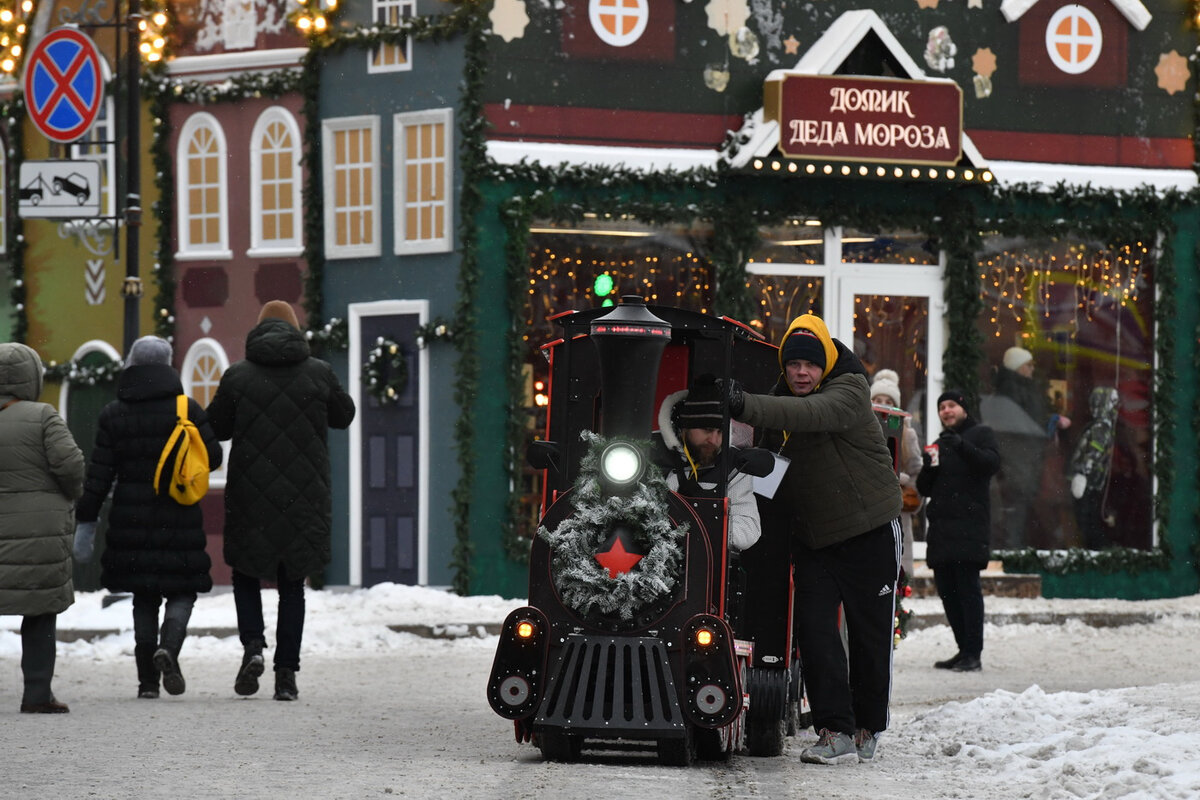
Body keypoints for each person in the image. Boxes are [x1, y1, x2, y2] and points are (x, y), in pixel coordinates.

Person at [726, 314, 902, 765]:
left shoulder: (849, 391)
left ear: (825, 364)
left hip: (870, 531)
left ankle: (867, 727)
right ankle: (834, 731)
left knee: (869, 636)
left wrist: (744, 404)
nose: (801, 373)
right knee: (817, 634)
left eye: (809, 364)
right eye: (792, 365)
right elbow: (764, 461)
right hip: (815, 537)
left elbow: (811, 414)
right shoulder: (782, 401)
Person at [206, 300, 356, 702]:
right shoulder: (318, 372)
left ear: (258, 331)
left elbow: (216, 427)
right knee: (293, 583)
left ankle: (253, 645)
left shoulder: (237, 376)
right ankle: (286, 673)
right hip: (304, 496)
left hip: (251, 494)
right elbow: (345, 415)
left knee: (245, 573)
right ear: (295, 331)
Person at [74, 336, 223, 699]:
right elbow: (214, 457)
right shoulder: (186, 409)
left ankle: (146, 684)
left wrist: (86, 522)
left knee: (144, 596)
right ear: (169, 364)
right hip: (179, 516)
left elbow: (99, 475)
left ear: (131, 366)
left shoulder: (114, 414)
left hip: (132, 520)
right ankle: (168, 649)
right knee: (182, 592)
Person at [0, 342, 86, 713]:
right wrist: (68, 496)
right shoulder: (43, 417)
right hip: (39, 533)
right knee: (38, 614)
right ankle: (37, 694)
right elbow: (71, 466)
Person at [916, 389, 1000, 673]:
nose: (946, 411)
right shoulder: (939, 444)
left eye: (951, 406)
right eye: (942, 408)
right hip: (941, 531)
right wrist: (927, 468)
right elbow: (925, 489)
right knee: (948, 594)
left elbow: (991, 464)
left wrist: (962, 445)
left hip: (969, 529)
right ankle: (963, 650)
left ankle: (973, 653)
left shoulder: (980, 433)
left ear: (963, 408)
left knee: (967, 591)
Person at [657, 373, 760, 551]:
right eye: (707, 430)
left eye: (720, 432)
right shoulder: (652, 453)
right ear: (686, 426)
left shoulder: (733, 466)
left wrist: (699, 530)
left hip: (707, 565)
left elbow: (748, 528)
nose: (713, 440)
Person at [989, 346, 1070, 548]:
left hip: (1022, 459)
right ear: (1018, 367)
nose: (1032, 369)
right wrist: (1048, 424)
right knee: (1017, 511)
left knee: (1019, 511)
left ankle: (1015, 550)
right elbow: (1024, 426)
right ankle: (1012, 553)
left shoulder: (1016, 390)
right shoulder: (1016, 391)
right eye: (1028, 365)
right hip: (1019, 461)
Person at [869, 369, 923, 576]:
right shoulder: (861, 431)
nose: (882, 404)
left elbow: (917, 473)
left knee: (893, 570)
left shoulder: (907, 434)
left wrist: (901, 480)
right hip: (868, 510)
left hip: (896, 511)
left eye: (888, 401)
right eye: (877, 399)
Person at [1067, 387, 1119, 549]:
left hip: (1087, 484)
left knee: (1087, 522)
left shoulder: (1100, 428)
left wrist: (1082, 474)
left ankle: (1096, 550)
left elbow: (1093, 453)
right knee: (1089, 522)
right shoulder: (1102, 427)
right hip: (1090, 483)